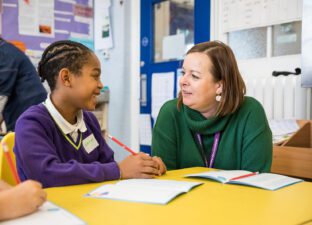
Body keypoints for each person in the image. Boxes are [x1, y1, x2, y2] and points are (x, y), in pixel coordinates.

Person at [14, 40, 166, 188]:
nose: (100, 84)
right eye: (95, 76)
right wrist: (119, 170)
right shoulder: (32, 123)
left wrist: (143, 166)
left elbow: (107, 165)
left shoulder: (89, 120)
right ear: (66, 78)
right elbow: (46, 175)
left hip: (90, 206)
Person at [152, 41, 272, 172]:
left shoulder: (250, 112)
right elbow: (164, 181)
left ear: (220, 86)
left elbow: (256, 179)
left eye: (194, 76)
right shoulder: (170, 113)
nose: (182, 81)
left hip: (237, 193)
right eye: (183, 73)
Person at [0, 37, 47, 132]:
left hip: (28, 111)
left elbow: (1, 96)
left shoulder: (4, 54)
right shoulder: (7, 50)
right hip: (28, 111)